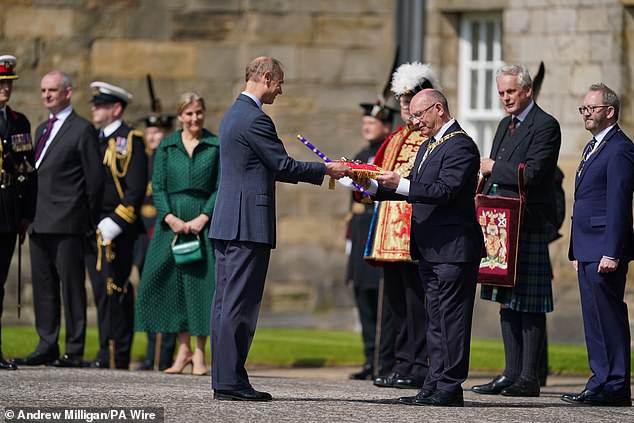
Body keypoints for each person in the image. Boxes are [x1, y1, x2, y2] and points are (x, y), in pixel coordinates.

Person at [209, 56, 349, 401]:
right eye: (280, 83)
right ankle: (230, 382)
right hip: (247, 224)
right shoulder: (256, 119)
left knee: (225, 303)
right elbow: (283, 164)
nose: (281, 90)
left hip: (227, 221)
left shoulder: (231, 114)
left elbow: (274, 168)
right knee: (239, 304)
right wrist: (326, 170)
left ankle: (224, 377)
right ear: (266, 77)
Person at [357, 88, 483, 407]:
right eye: (412, 115)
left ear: (437, 109)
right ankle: (434, 381)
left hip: (454, 248)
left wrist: (398, 182)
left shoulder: (461, 145)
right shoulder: (429, 144)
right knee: (436, 319)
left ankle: (450, 386)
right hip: (429, 248)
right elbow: (410, 188)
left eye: (418, 115)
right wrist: (365, 183)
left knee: (452, 320)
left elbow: (444, 190)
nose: (414, 122)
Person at [472, 64, 561, 397]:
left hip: (529, 222)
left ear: (527, 91)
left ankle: (529, 377)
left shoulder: (546, 125)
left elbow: (535, 172)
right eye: (501, 93)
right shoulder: (504, 125)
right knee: (505, 300)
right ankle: (510, 373)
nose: (505, 98)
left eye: (510, 91)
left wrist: (494, 167)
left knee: (530, 302)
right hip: (500, 222)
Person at [13, 70, 104, 368]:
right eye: (42, 91)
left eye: (52, 90)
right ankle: (47, 343)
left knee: (72, 287)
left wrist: (89, 222)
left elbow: (94, 181)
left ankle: (74, 348)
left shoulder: (82, 129)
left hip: (69, 222)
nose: (46, 95)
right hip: (39, 220)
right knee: (43, 287)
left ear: (67, 92)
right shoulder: (40, 129)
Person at [135, 92, 219, 376]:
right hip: (170, 224)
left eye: (198, 113)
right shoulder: (167, 146)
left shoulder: (215, 145)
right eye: (188, 113)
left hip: (202, 225)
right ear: (180, 116)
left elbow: (220, 187)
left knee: (201, 288)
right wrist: (169, 217)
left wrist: (203, 217)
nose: (194, 118)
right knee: (174, 287)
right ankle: (182, 351)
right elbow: (157, 186)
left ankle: (199, 354)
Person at [562, 83, 634, 407]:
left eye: (591, 109)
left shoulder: (620, 148)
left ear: (610, 111)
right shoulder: (592, 146)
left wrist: (612, 251)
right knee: (593, 318)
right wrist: (576, 250)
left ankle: (617, 385)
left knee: (609, 316)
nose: (586, 114)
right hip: (586, 248)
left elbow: (619, 203)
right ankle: (599, 381)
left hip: (605, 249)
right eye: (583, 109)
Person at [367, 62, 438, 390]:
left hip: (412, 227)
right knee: (396, 302)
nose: (404, 106)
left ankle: (417, 363)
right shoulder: (395, 136)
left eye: (409, 99)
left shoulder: (429, 138)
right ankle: (401, 361)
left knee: (414, 301)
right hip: (387, 229)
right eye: (402, 100)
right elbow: (377, 172)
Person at [84, 81, 147, 370]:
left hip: (117, 228)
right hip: (93, 226)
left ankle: (117, 354)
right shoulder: (92, 139)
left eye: (101, 105)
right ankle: (103, 350)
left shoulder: (130, 139)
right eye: (95, 105)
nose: (95, 109)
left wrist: (116, 221)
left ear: (116, 108)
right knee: (99, 292)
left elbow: (134, 189)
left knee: (117, 291)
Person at [346, 102, 396, 381]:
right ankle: (369, 359)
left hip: (378, 229)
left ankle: (383, 361)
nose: (366, 125)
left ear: (386, 126)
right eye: (365, 121)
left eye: (372, 122)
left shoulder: (386, 154)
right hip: (360, 230)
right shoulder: (360, 154)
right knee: (363, 298)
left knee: (382, 301)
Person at [0, 55, 36, 370]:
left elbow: (28, 171)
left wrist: (26, 214)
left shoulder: (19, 121)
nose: (5, 88)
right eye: (1, 83)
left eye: (8, 83)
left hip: (8, 212)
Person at [135, 113, 177, 372]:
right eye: (149, 133)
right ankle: (152, 354)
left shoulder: (169, 159)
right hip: (142, 232)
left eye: (157, 133)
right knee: (148, 293)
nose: (152, 137)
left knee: (167, 295)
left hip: (161, 231)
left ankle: (164, 356)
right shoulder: (143, 160)